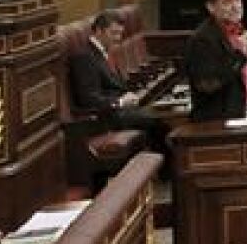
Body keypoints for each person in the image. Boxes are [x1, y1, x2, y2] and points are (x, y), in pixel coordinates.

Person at [67, 10, 171, 153]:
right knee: (160, 121)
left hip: (119, 111)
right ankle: (166, 169)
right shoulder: (84, 57)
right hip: (105, 118)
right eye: (114, 33)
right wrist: (120, 102)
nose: (118, 38)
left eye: (120, 34)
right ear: (98, 31)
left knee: (162, 114)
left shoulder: (103, 52)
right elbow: (89, 98)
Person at [185, 0, 247, 121]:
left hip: (242, 115)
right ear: (211, 7)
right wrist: (239, 54)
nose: (236, 6)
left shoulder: (239, 31)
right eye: (227, 2)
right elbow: (208, 85)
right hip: (215, 122)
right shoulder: (202, 39)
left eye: (238, 0)